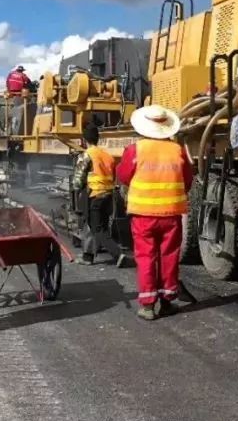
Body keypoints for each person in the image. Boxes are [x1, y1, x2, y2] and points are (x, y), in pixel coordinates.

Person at [116, 105, 194, 321]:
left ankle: (148, 306)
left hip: (143, 216)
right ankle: (167, 302)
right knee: (169, 256)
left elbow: (123, 176)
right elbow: (187, 180)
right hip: (171, 216)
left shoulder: (135, 150)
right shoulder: (177, 150)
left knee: (146, 257)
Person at [70, 124, 129, 267]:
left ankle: (118, 254)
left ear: (84, 140)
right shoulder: (107, 156)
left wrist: (77, 192)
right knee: (95, 226)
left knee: (97, 228)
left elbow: (78, 181)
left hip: (94, 195)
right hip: (108, 196)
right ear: (98, 139)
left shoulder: (86, 155)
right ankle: (87, 257)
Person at [6, 65, 32, 135]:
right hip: (20, 94)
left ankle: (9, 128)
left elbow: (7, 83)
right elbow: (28, 84)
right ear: (22, 70)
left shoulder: (10, 74)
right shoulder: (24, 76)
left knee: (13, 109)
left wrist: (9, 91)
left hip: (11, 94)